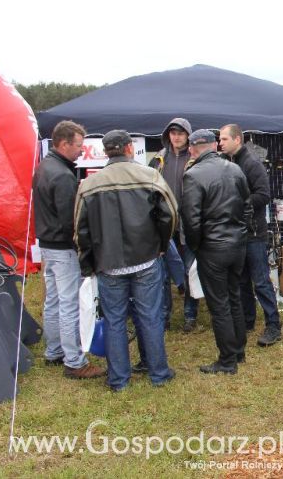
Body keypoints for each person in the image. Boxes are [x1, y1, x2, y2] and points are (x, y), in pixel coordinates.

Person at [75, 130, 178, 392]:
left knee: (114, 320)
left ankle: (119, 379)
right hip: (145, 260)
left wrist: (89, 264)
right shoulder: (149, 176)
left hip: (109, 264)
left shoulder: (89, 185)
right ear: (129, 148)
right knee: (150, 317)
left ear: (107, 151)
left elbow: (80, 231)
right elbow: (170, 214)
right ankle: (158, 373)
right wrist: (161, 246)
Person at [33, 120, 106, 379]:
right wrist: (82, 249)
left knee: (53, 299)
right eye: (78, 145)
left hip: (48, 245)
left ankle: (54, 350)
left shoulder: (44, 167)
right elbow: (70, 221)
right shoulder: (62, 175)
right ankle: (74, 361)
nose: (80, 151)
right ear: (63, 144)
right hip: (63, 248)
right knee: (69, 303)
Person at [181, 129, 252, 374]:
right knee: (233, 297)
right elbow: (247, 206)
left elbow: (191, 220)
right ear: (214, 145)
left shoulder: (193, 176)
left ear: (192, 148)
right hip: (236, 244)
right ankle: (238, 351)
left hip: (213, 247)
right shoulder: (234, 169)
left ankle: (227, 360)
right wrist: (240, 233)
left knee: (219, 304)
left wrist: (196, 245)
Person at [219, 124, 282, 346]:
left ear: (237, 140)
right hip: (236, 233)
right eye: (220, 139)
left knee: (260, 281)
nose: (220, 143)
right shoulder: (228, 163)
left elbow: (264, 195)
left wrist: (238, 204)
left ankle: (273, 325)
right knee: (241, 281)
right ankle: (247, 320)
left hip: (254, 233)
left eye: (224, 139)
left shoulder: (252, 164)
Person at [149, 117, 198, 333]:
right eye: (172, 133)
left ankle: (190, 315)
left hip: (188, 224)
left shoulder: (195, 158)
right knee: (163, 274)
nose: (176, 137)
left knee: (189, 271)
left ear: (188, 135)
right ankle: (164, 316)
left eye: (180, 133)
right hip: (164, 226)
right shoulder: (159, 159)